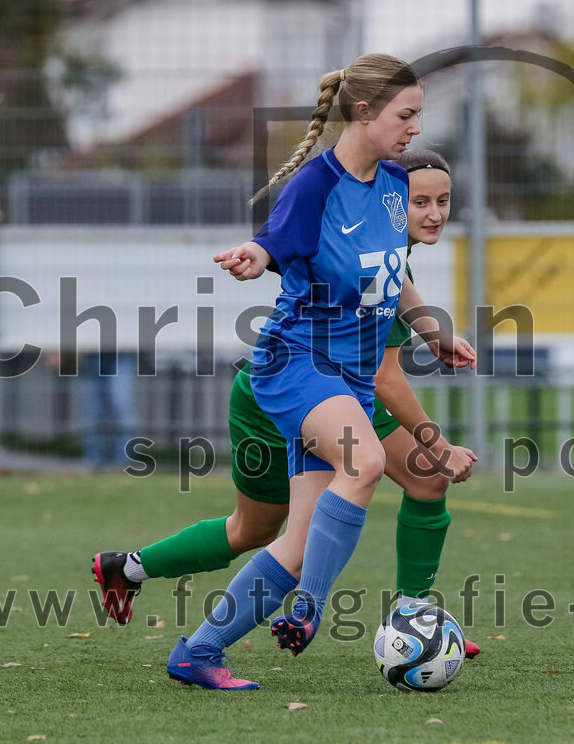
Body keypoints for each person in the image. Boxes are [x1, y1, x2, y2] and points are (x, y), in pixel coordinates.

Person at [91, 147, 481, 658]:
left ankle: (410, 623)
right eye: (419, 202)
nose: (434, 214)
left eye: (444, 201)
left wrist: (433, 331)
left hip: (339, 389)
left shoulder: (391, 250)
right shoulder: (358, 233)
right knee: (253, 530)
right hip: (279, 395)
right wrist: (438, 442)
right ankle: (133, 571)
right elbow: (387, 380)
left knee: (424, 482)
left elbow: (397, 292)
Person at [167, 54, 474, 690]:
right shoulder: (316, 185)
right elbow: (272, 240)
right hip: (297, 362)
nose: (415, 128)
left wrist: (434, 332)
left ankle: (197, 652)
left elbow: (396, 277)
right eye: (406, 114)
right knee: (361, 464)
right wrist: (253, 256)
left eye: (418, 114)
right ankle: (309, 607)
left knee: (300, 541)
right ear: (365, 113)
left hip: (347, 378)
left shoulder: (392, 183)